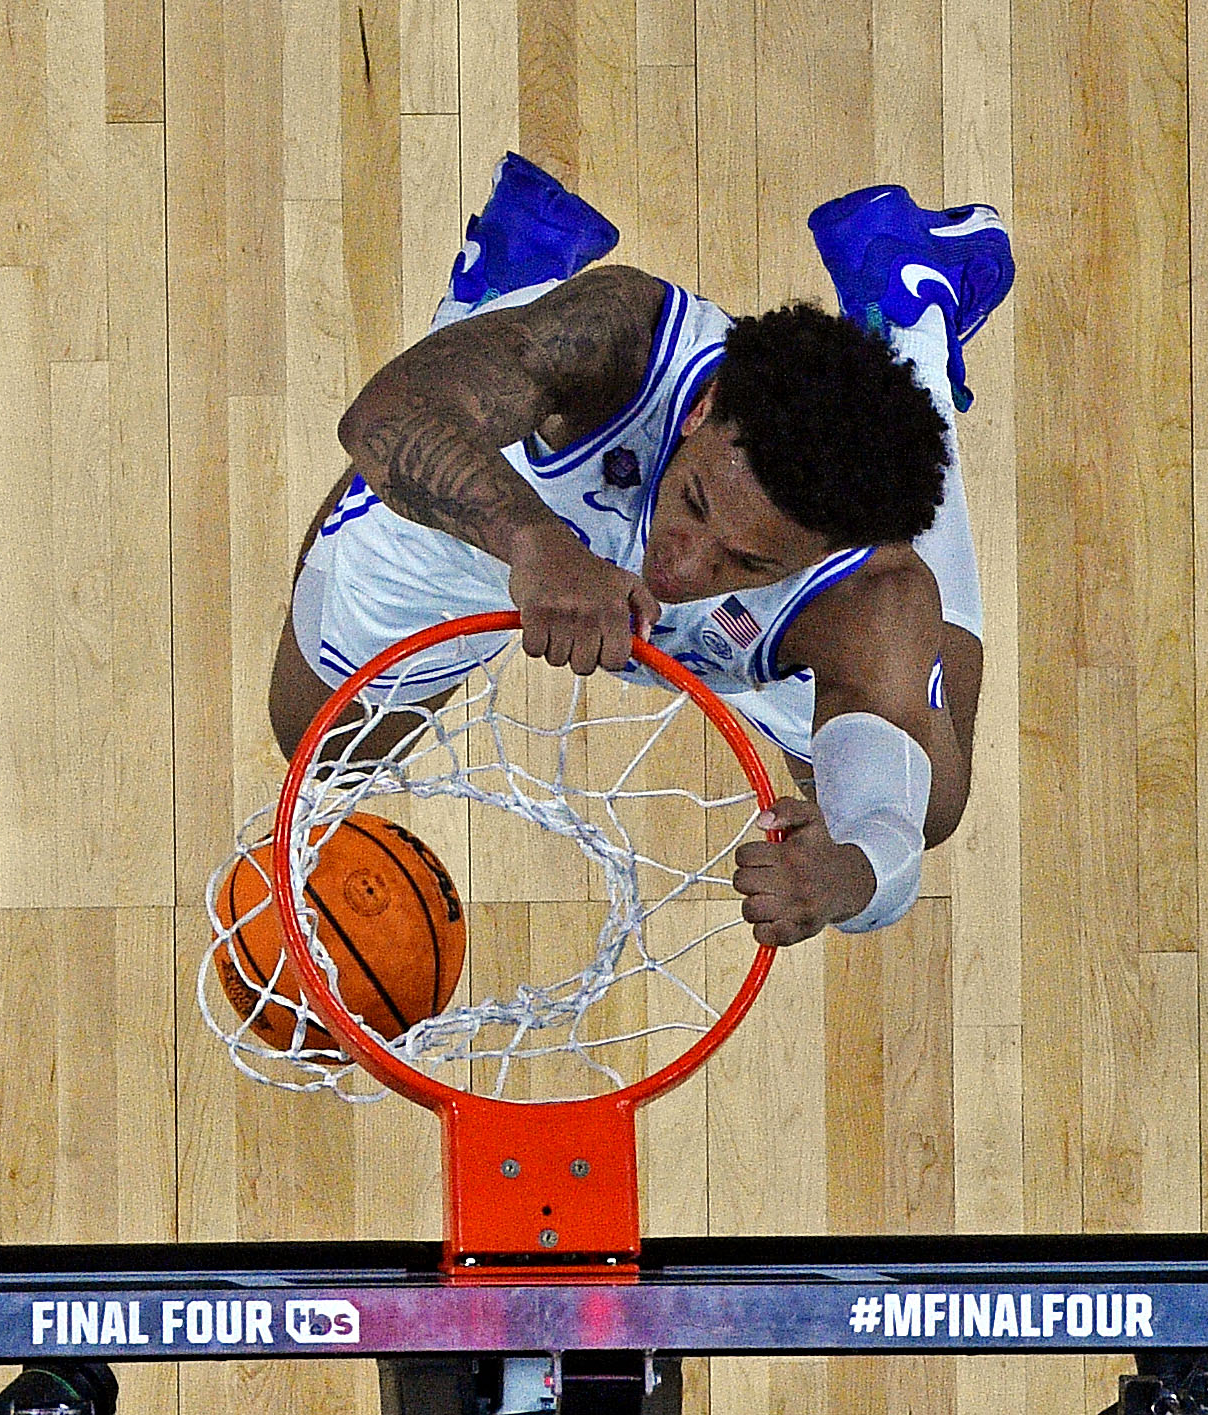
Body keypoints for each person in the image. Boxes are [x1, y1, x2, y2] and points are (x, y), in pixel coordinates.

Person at [268, 154, 1014, 1415]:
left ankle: (909, 322)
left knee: (924, 756)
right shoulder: (623, 340)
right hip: (523, 532)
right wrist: (532, 543)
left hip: (752, 632)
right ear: (707, 406)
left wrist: (848, 869)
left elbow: (908, 811)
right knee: (315, 742)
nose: (683, 558)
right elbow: (384, 417)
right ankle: (508, 289)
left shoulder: (867, 589)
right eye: (693, 503)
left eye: (740, 552)